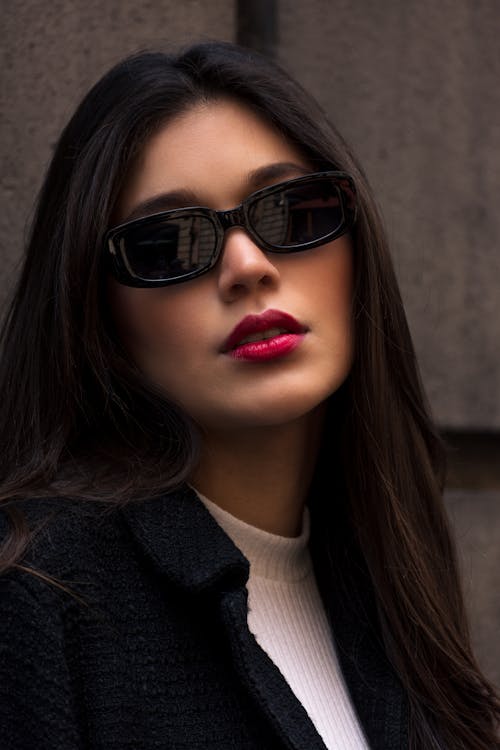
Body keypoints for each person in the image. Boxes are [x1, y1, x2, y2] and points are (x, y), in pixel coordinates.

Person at [0, 40, 498, 750]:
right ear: (96, 312)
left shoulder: (393, 590)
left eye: (292, 210)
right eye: (170, 244)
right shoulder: (38, 596)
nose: (247, 266)